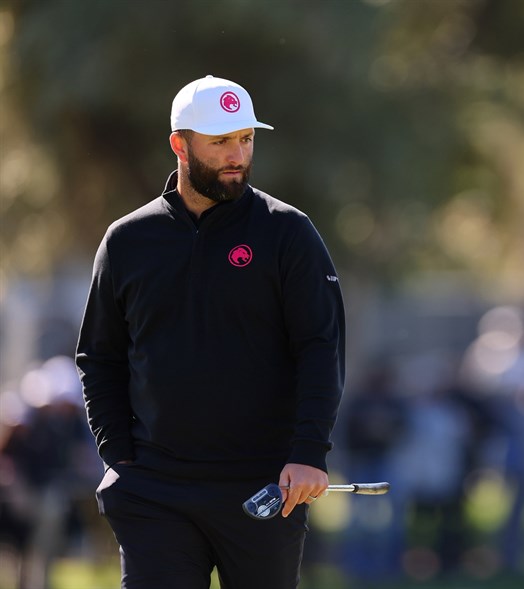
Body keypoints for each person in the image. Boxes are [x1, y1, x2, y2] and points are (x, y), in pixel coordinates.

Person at [76, 75, 345, 588]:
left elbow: (321, 348)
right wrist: (118, 456)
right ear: (180, 144)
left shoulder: (288, 232)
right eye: (220, 141)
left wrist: (309, 453)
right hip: (155, 489)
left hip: (264, 487)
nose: (237, 154)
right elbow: (99, 357)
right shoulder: (128, 241)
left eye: (245, 138)